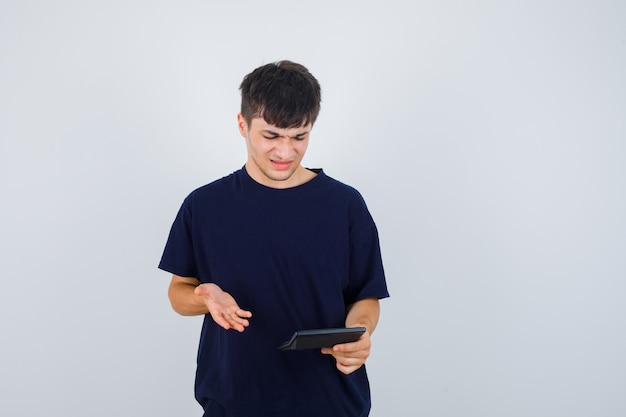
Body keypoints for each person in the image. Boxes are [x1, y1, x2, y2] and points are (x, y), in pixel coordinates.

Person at [159, 60, 389, 417]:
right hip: (233, 405)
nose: (285, 153)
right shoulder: (203, 205)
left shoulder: (345, 205)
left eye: (299, 137)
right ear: (242, 124)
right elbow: (179, 292)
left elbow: (366, 297)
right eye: (271, 136)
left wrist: (359, 335)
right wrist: (207, 300)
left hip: (331, 405)